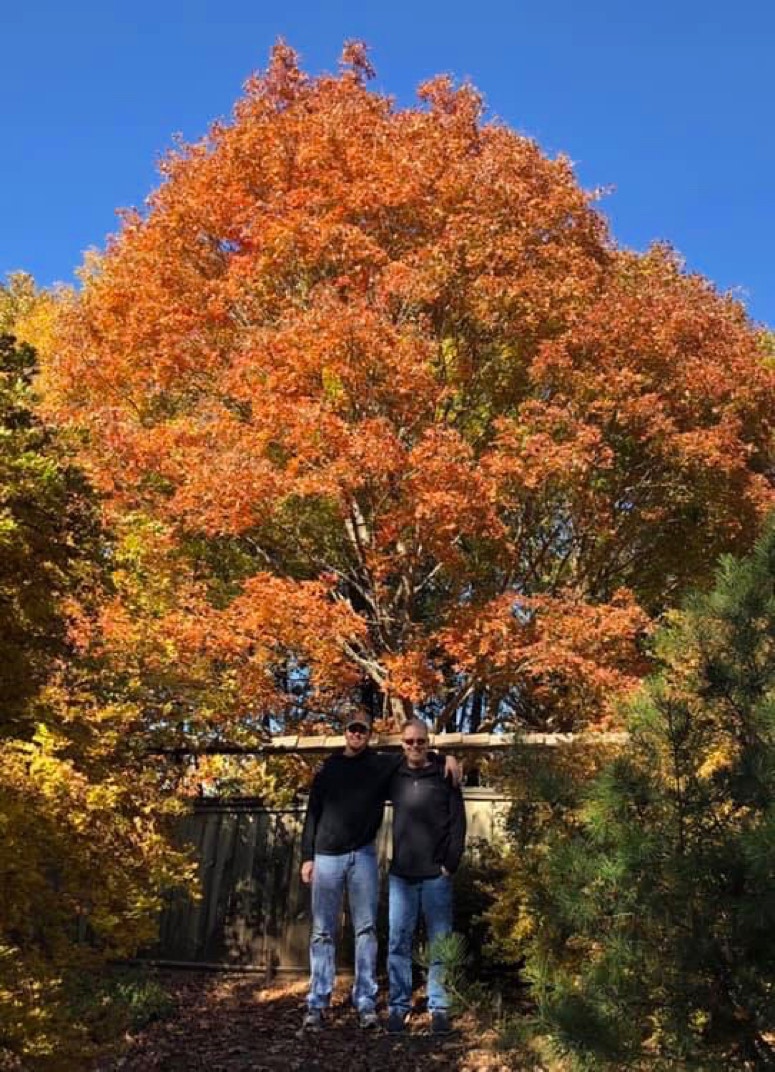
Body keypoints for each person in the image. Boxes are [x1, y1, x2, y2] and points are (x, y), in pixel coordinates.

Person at [299, 717, 459, 1031]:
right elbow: (312, 813)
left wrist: (447, 757)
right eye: (351, 729)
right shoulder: (328, 768)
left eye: (362, 730)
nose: (356, 734)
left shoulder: (381, 765)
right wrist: (307, 857)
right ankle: (317, 1003)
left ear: (370, 735)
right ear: (344, 733)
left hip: (363, 855)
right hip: (326, 856)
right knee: (322, 931)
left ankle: (366, 1004)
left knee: (366, 930)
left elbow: (419, 754)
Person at [386, 717, 467, 1036]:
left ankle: (439, 1007)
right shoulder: (394, 774)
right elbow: (363, 766)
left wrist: (450, 863)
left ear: (429, 742)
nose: (415, 747)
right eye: (409, 742)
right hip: (401, 876)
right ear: (401, 744)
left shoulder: (445, 775)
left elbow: (458, 823)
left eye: (421, 741)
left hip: (436, 875)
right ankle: (398, 1006)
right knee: (398, 942)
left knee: (440, 944)